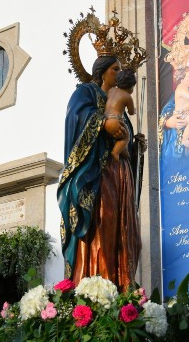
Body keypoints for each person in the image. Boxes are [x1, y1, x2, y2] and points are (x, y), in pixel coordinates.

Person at [57, 56, 144, 292]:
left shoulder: (117, 98)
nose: (119, 73)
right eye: (115, 69)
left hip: (120, 173)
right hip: (97, 173)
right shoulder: (86, 92)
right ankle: (94, 287)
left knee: (124, 229)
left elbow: (123, 137)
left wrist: (135, 147)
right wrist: (102, 124)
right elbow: (75, 117)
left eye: (121, 69)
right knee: (101, 225)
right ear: (102, 72)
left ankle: (123, 286)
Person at [104, 69, 136, 162]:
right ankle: (116, 152)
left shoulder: (111, 90)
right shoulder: (127, 96)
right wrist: (134, 111)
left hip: (105, 120)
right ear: (131, 86)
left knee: (120, 137)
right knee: (126, 136)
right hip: (116, 121)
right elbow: (131, 112)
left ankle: (123, 149)